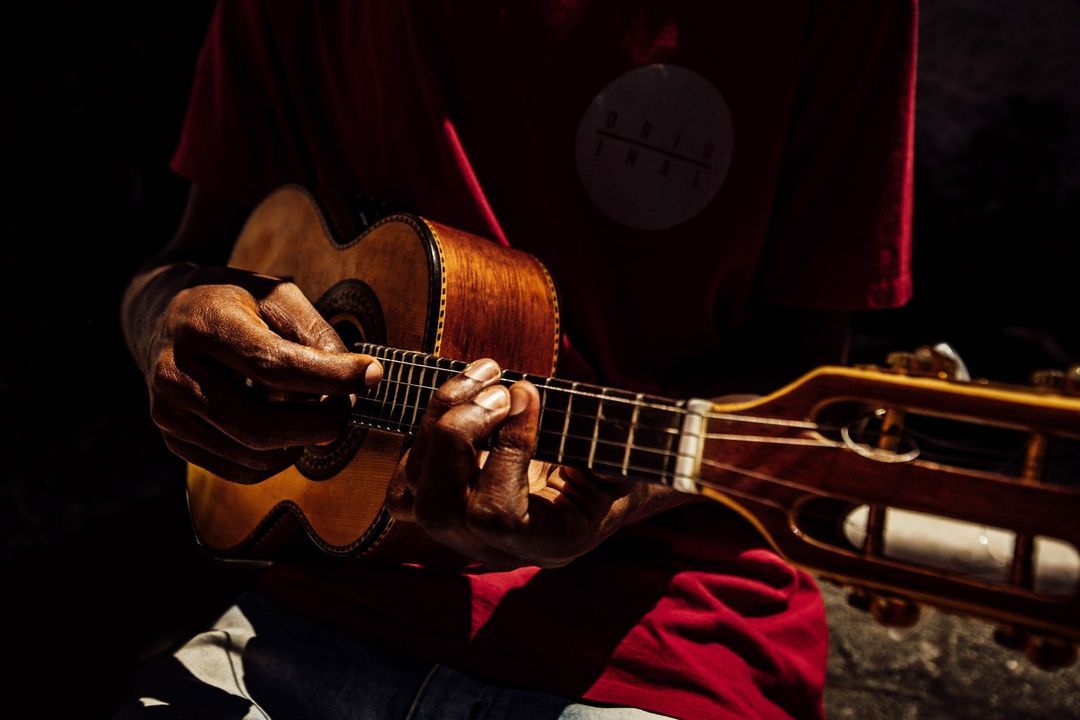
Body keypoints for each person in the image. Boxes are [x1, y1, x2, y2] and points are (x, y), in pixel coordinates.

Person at [117, 2, 917, 718]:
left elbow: (802, 378)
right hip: (314, 596)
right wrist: (167, 324)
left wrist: (619, 495)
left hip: (666, 629)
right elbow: (189, 260)